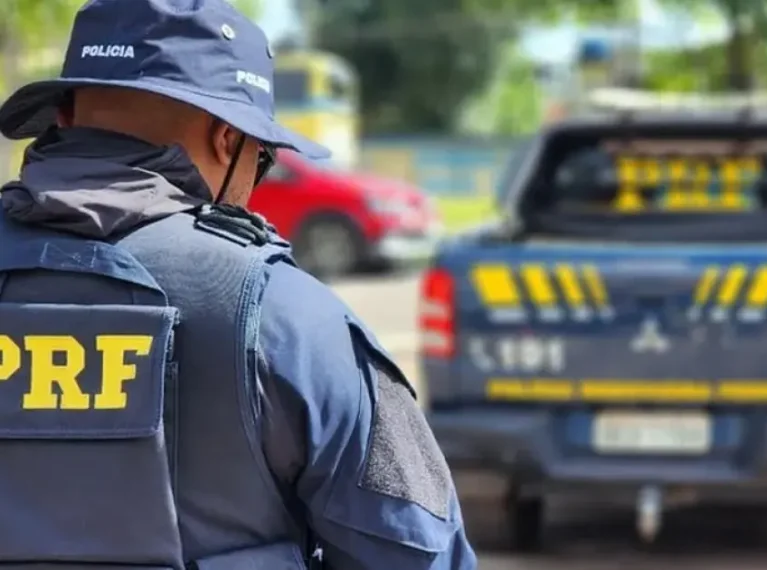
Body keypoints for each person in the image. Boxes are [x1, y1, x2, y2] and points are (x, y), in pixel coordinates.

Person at [0, 1, 477, 569]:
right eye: (263, 157)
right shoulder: (289, 320)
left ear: (66, 118)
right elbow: (419, 553)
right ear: (229, 140)